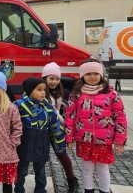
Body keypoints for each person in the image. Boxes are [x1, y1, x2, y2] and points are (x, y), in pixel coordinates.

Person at [64, 59, 127, 193]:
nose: (92, 77)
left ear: (101, 75)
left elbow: (120, 117)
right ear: (82, 76)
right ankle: (88, 190)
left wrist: (120, 140)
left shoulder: (111, 94)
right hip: (84, 139)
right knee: (87, 168)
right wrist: (69, 137)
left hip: (104, 140)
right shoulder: (76, 94)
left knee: (103, 168)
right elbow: (70, 116)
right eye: (88, 74)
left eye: (95, 73)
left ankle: (105, 190)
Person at [41, 63, 79, 193]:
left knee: (62, 154)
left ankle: (72, 180)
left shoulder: (64, 93)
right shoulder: (39, 91)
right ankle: (40, 183)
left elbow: (70, 113)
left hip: (57, 129)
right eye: (51, 78)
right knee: (40, 156)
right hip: (42, 129)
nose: (54, 82)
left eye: (57, 79)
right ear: (44, 78)